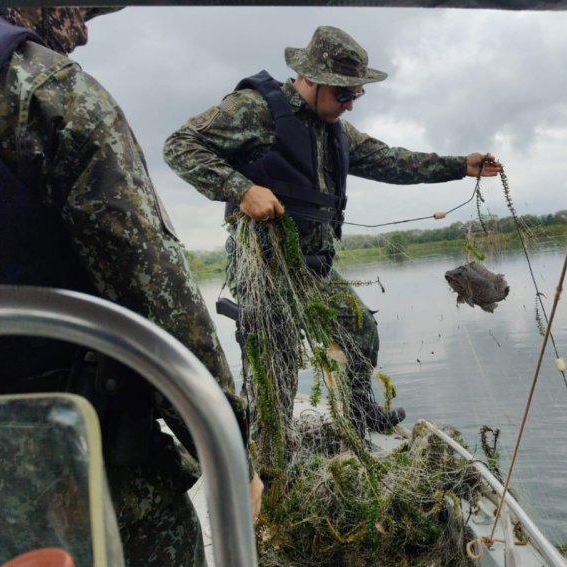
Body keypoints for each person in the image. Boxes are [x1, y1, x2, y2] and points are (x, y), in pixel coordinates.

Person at [0, 8, 262, 566]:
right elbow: (156, 292)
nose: (84, 29)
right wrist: (230, 452)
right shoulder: (44, 90)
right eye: (75, 10)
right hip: (71, 466)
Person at [163, 24, 501, 449]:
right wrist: (242, 190)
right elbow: (179, 145)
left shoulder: (338, 130)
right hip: (265, 269)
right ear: (311, 79)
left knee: (360, 329)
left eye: (356, 94)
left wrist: (459, 166)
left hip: (316, 268)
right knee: (274, 376)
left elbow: (392, 161)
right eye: (343, 94)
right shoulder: (254, 110)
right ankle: (266, 468)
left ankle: (358, 409)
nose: (350, 104)